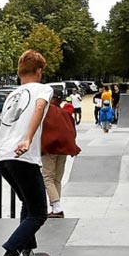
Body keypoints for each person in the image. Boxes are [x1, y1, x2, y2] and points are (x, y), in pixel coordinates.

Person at [0, 50, 53, 256]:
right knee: (39, 212)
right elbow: (38, 108)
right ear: (39, 71)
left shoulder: (12, 95)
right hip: (22, 155)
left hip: (2, 156)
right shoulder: (43, 89)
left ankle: (26, 253)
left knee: (27, 205)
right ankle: (10, 254)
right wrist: (27, 139)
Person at [41, 89, 81, 218]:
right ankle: (55, 207)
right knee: (57, 179)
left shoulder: (45, 112)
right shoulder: (66, 113)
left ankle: (57, 207)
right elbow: (72, 131)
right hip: (63, 150)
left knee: (48, 178)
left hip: (49, 148)